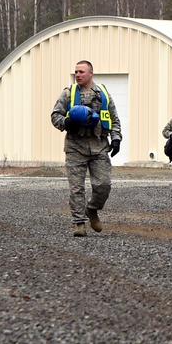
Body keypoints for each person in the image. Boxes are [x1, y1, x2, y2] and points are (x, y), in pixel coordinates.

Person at [51, 60, 122, 237]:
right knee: (76, 188)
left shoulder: (103, 94)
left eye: (81, 72)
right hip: (76, 147)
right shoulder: (68, 93)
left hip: (99, 146)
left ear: (91, 73)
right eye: (76, 72)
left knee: (103, 185)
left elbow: (114, 119)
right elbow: (55, 115)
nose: (78, 75)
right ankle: (79, 224)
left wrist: (116, 139)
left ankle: (92, 209)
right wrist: (65, 122)